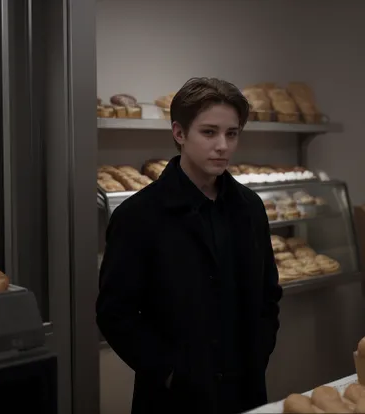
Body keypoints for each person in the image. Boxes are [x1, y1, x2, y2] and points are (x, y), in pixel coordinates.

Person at [96, 77, 283, 414]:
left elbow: (268, 294)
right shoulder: (138, 215)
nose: (223, 146)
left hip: (245, 391)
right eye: (209, 132)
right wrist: (169, 372)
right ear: (179, 134)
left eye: (232, 133)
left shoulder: (250, 208)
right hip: (173, 400)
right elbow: (115, 315)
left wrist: (259, 352)